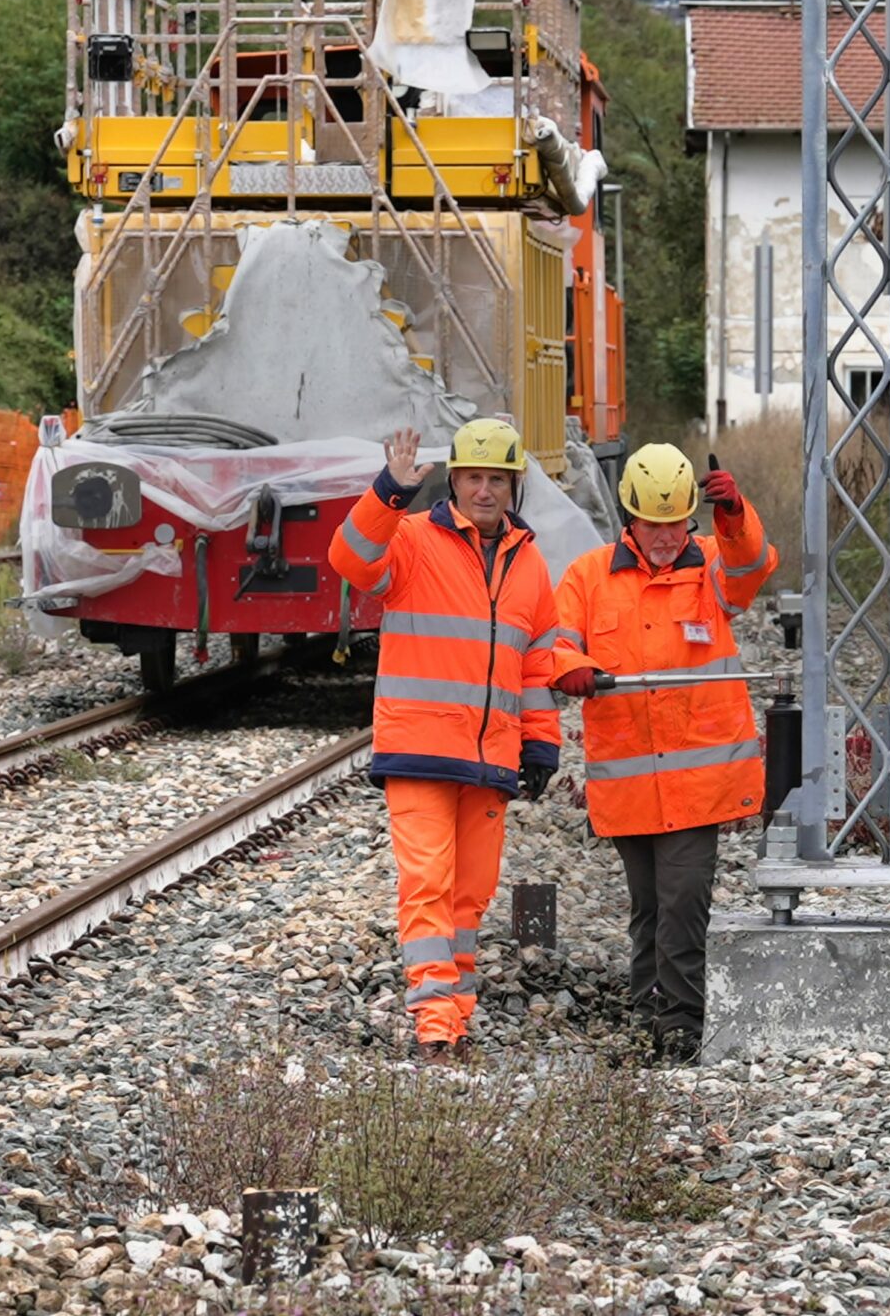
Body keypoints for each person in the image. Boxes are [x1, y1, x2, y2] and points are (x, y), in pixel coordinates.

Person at [328, 419, 565, 1060]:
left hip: (489, 757)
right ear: (453, 479)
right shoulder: (409, 539)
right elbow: (348, 559)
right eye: (472, 477)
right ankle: (435, 1024)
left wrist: (541, 743)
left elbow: (537, 662)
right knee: (428, 883)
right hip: (421, 749)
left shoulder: (529, 561)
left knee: (472, 891)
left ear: (513, 484)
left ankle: (455, 1014)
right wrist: (387, 493)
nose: (484, 490)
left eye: (496, 479)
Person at [548, 444, 778, 1065]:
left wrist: (735, 516)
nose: (666, 537)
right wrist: (571, 667)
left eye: (677, 523)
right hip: (628, 780)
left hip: (699, 780)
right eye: (654, 524)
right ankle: (648, 1005)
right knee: (649, 903)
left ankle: (680, 1021)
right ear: (630, 518)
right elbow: (559, 639)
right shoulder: (589, 576)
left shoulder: (709, 569)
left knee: (682, 899)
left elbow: (753, 568)